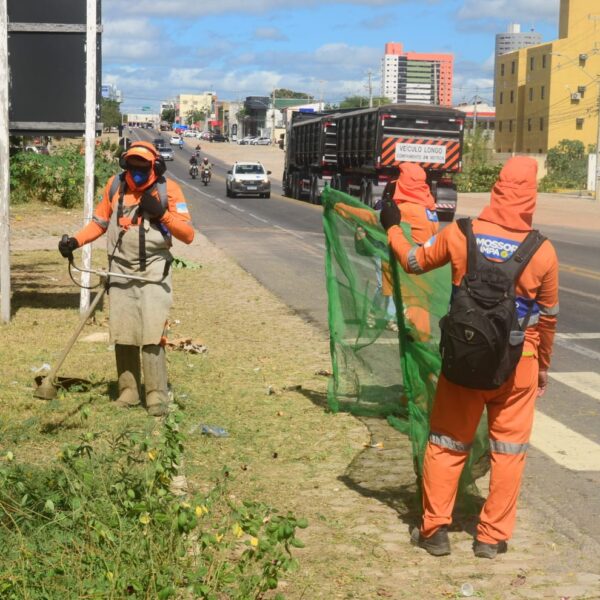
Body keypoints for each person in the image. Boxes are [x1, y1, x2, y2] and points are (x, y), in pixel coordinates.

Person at [380, 156, 559, 558]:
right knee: (509, 451)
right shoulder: (543, 252)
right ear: (531, 196)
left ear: (496, 189)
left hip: (464, 358)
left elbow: (413, 261)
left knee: (446, 442)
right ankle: (491, 538)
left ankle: (434, 531)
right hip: (519, 363)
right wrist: (543, 367)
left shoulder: (461, 233)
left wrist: (392, 226)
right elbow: (548, 320)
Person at [58, 141, 195, 416]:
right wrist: (75, 241)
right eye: (132, 167)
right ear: (126, 165)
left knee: (152, 333)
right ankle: (129, 391)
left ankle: (156, 395)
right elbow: (99, 223)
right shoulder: (115, 186)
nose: (137, 173)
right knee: (124, 332)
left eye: (143, 167)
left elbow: (188, 235)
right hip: (119, 270)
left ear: (155, 167)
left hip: (154, 272)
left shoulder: (168, 190)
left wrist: (162, 214)